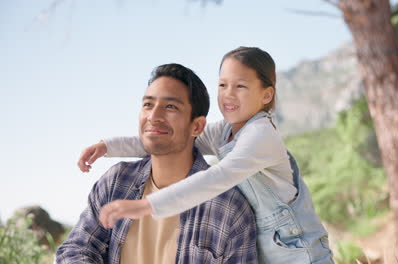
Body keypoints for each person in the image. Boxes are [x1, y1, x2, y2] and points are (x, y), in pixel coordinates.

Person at [79, 47, 334, 263]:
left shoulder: (261, 135)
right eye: (223, 85)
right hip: (267, 251)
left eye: (241, 86)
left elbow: (216, 178)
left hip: (299, 253)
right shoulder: (225, 132)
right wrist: (109, 146)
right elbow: (173, 137)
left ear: (266, 95)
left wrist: (147, 205)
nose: (228, 94)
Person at [56, 63, 257, 264]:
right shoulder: (116, 182)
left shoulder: (230, 208)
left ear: (197, 126)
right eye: (148, 105)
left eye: (170, 107)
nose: (153, 116)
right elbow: (76, 249)